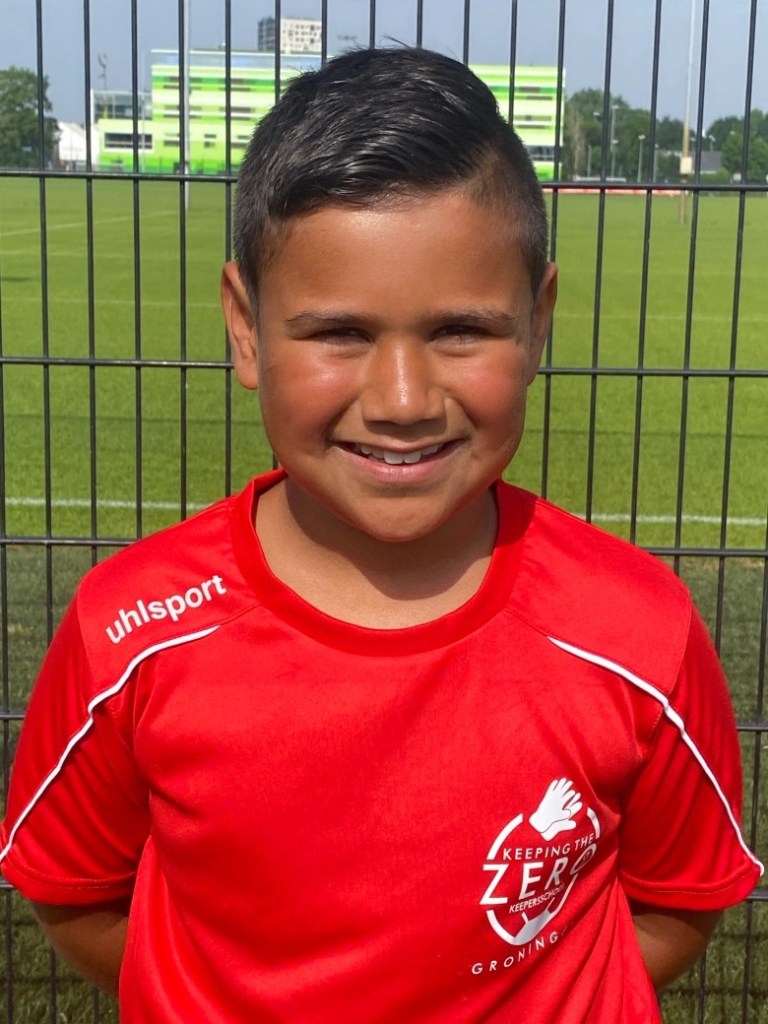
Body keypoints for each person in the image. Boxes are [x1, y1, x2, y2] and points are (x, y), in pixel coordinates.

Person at [0, 46, 762, 1023]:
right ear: (245, 327)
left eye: (460, 330)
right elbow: (75, 893)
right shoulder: (131, 630)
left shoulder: (637, 631)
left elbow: (676, 902)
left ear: (538, 322)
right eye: (340, 333)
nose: (402, 400)